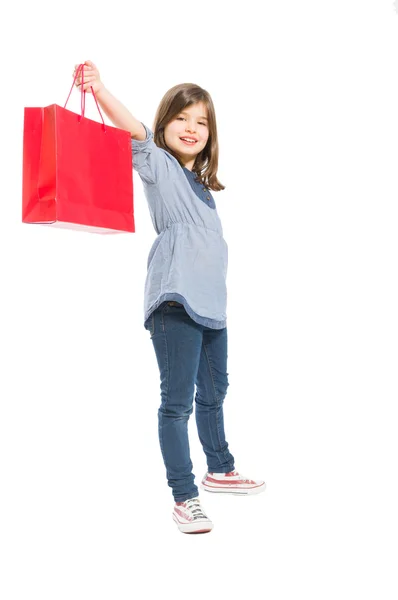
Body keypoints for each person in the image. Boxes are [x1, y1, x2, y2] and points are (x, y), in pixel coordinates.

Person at [73, 60, 266, 534]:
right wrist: (100, 90)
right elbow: (135, 130)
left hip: (212, 310)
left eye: (201, 121)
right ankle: (184, 497)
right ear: (165, 124)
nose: (192, 127)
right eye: (182, 117)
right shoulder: (157, 163)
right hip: (176, 302)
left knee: (215, 392)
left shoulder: (204, 189)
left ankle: (219, 467)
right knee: (177, 402)